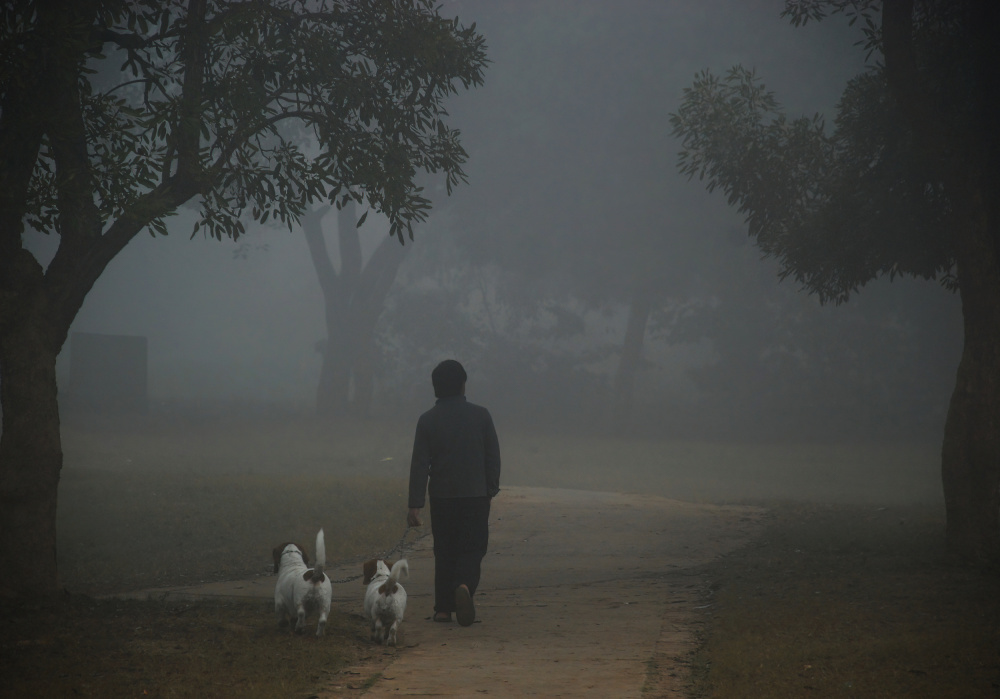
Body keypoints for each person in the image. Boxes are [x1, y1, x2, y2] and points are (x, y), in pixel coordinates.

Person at [407, 359, 501, 626]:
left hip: (442, 497)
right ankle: (464, 586)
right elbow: (492, 456)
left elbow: (419, 465)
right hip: (475, 495)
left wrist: (415, 504)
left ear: (435, 389)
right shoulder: (482, 416)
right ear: (463, 385)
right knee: (472, 548)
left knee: (445, 550)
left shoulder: (427, 421)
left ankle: (443, 610)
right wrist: (490, 488)